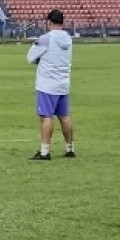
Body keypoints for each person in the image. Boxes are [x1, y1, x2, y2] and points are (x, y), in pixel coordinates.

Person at [26, 10, 75, 161]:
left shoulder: (45, 39)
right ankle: (70, 148)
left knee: (46, 117)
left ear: (48, 22)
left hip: (47, 84)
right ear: (63, 23)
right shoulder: (68, 39)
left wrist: (39, 60)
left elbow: (30, 57)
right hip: (63, 83)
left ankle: (45, 151)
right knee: (64, 116)